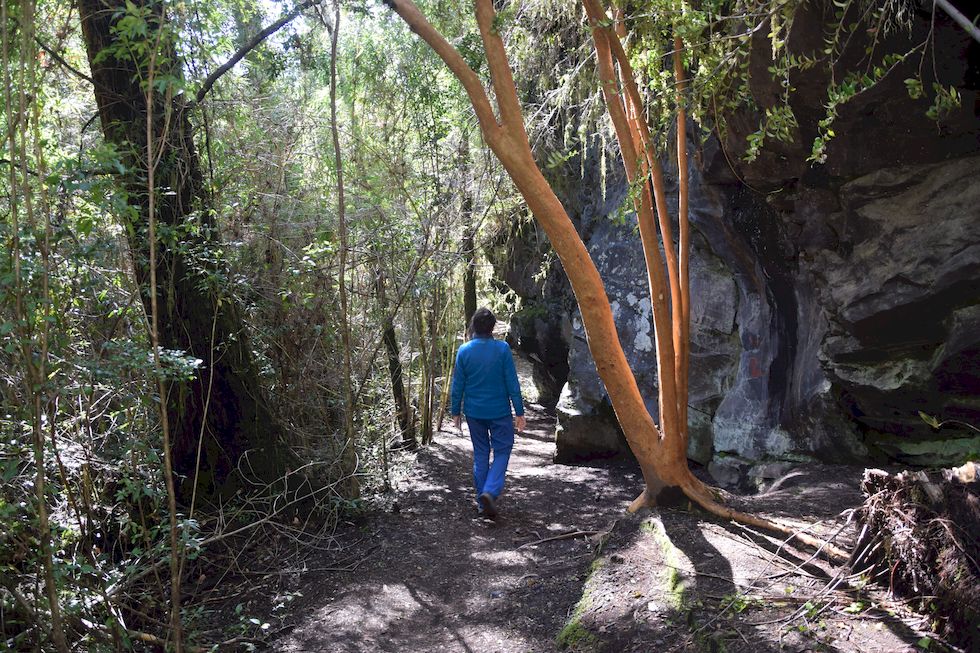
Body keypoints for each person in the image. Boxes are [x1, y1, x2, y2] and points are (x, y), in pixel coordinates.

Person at [450, 307, 526, 519]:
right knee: (502, 451)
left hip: (474, 413)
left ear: (474, 325)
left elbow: (458, 385)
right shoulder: (502, 349)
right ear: (492, 327)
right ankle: (490, 492)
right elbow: (512, 382)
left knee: (481, 454)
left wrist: (455, 411)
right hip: (499, 412)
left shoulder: (464, 351)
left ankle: (483, 503)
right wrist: (519, 412)